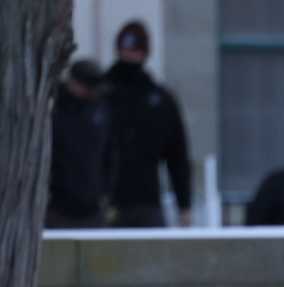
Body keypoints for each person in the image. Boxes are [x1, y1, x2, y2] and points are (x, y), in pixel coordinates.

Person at [104, 20, 192, 227]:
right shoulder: (102, 95)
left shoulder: (159, 100)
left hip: (146, 202)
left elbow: (177, 155)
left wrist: (184, 205)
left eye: (134, 50)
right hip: (103, 201)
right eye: (126, 50)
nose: (130, 56)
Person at [47, 59, 113, 229]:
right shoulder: (55, 110)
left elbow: (110, 154)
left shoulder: (100, 109)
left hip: (92, 207)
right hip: (58, 208)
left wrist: (105, 190)